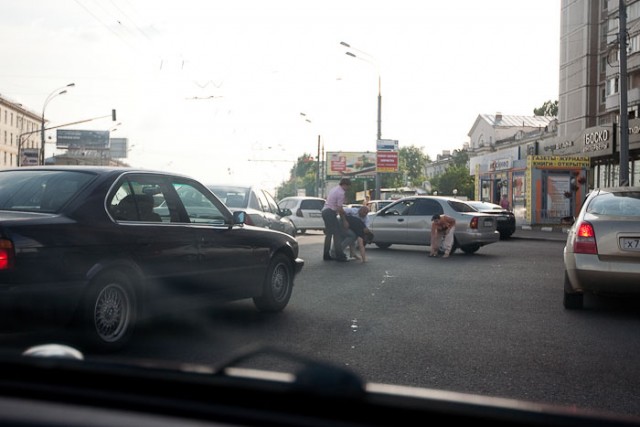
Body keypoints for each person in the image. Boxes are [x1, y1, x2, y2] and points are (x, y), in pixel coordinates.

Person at [321, 177, 351, 262]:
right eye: (348, 186)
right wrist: (345, 220)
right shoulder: (341, 193)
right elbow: (340, 209)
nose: (348, 188)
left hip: (325, 211)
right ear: (344, 185)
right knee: (337, 234)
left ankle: (326, 255)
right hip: (330, 213)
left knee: (329, 234)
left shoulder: (334, 189)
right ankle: (339, 256)